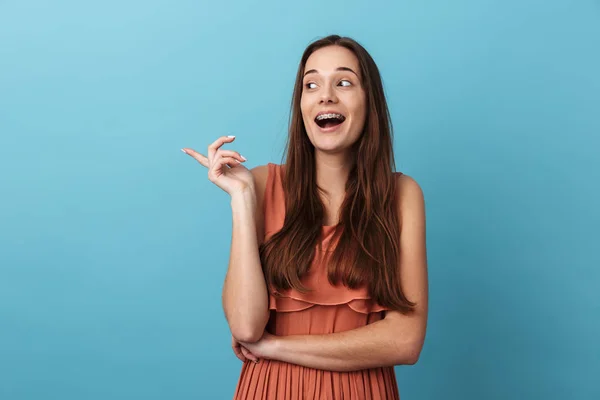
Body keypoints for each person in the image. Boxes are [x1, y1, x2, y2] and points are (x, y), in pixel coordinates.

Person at [182, 34, 428, 399]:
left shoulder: (402, 195)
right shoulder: (262, 184)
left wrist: (276, 348)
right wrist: (241, 198)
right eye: (311, 84)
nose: (325, 95)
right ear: (301, 105)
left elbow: (405, 341)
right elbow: (246, 326)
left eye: (343, 82)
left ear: (369, 102)